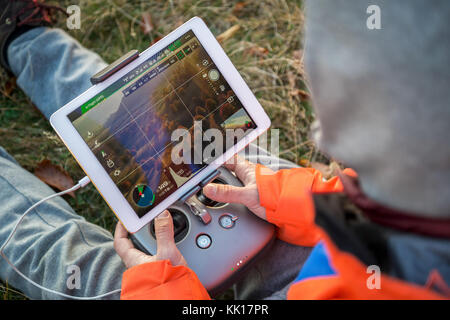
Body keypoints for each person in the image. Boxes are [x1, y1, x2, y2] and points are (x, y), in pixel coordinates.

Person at [0, 0, 449, 300]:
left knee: (77, 263)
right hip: (325, 252)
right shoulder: (417, 198)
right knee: (152, 115)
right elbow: (378, 217)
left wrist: (163, 288)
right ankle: (24, 41)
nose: (322, 139)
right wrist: (289, 197)